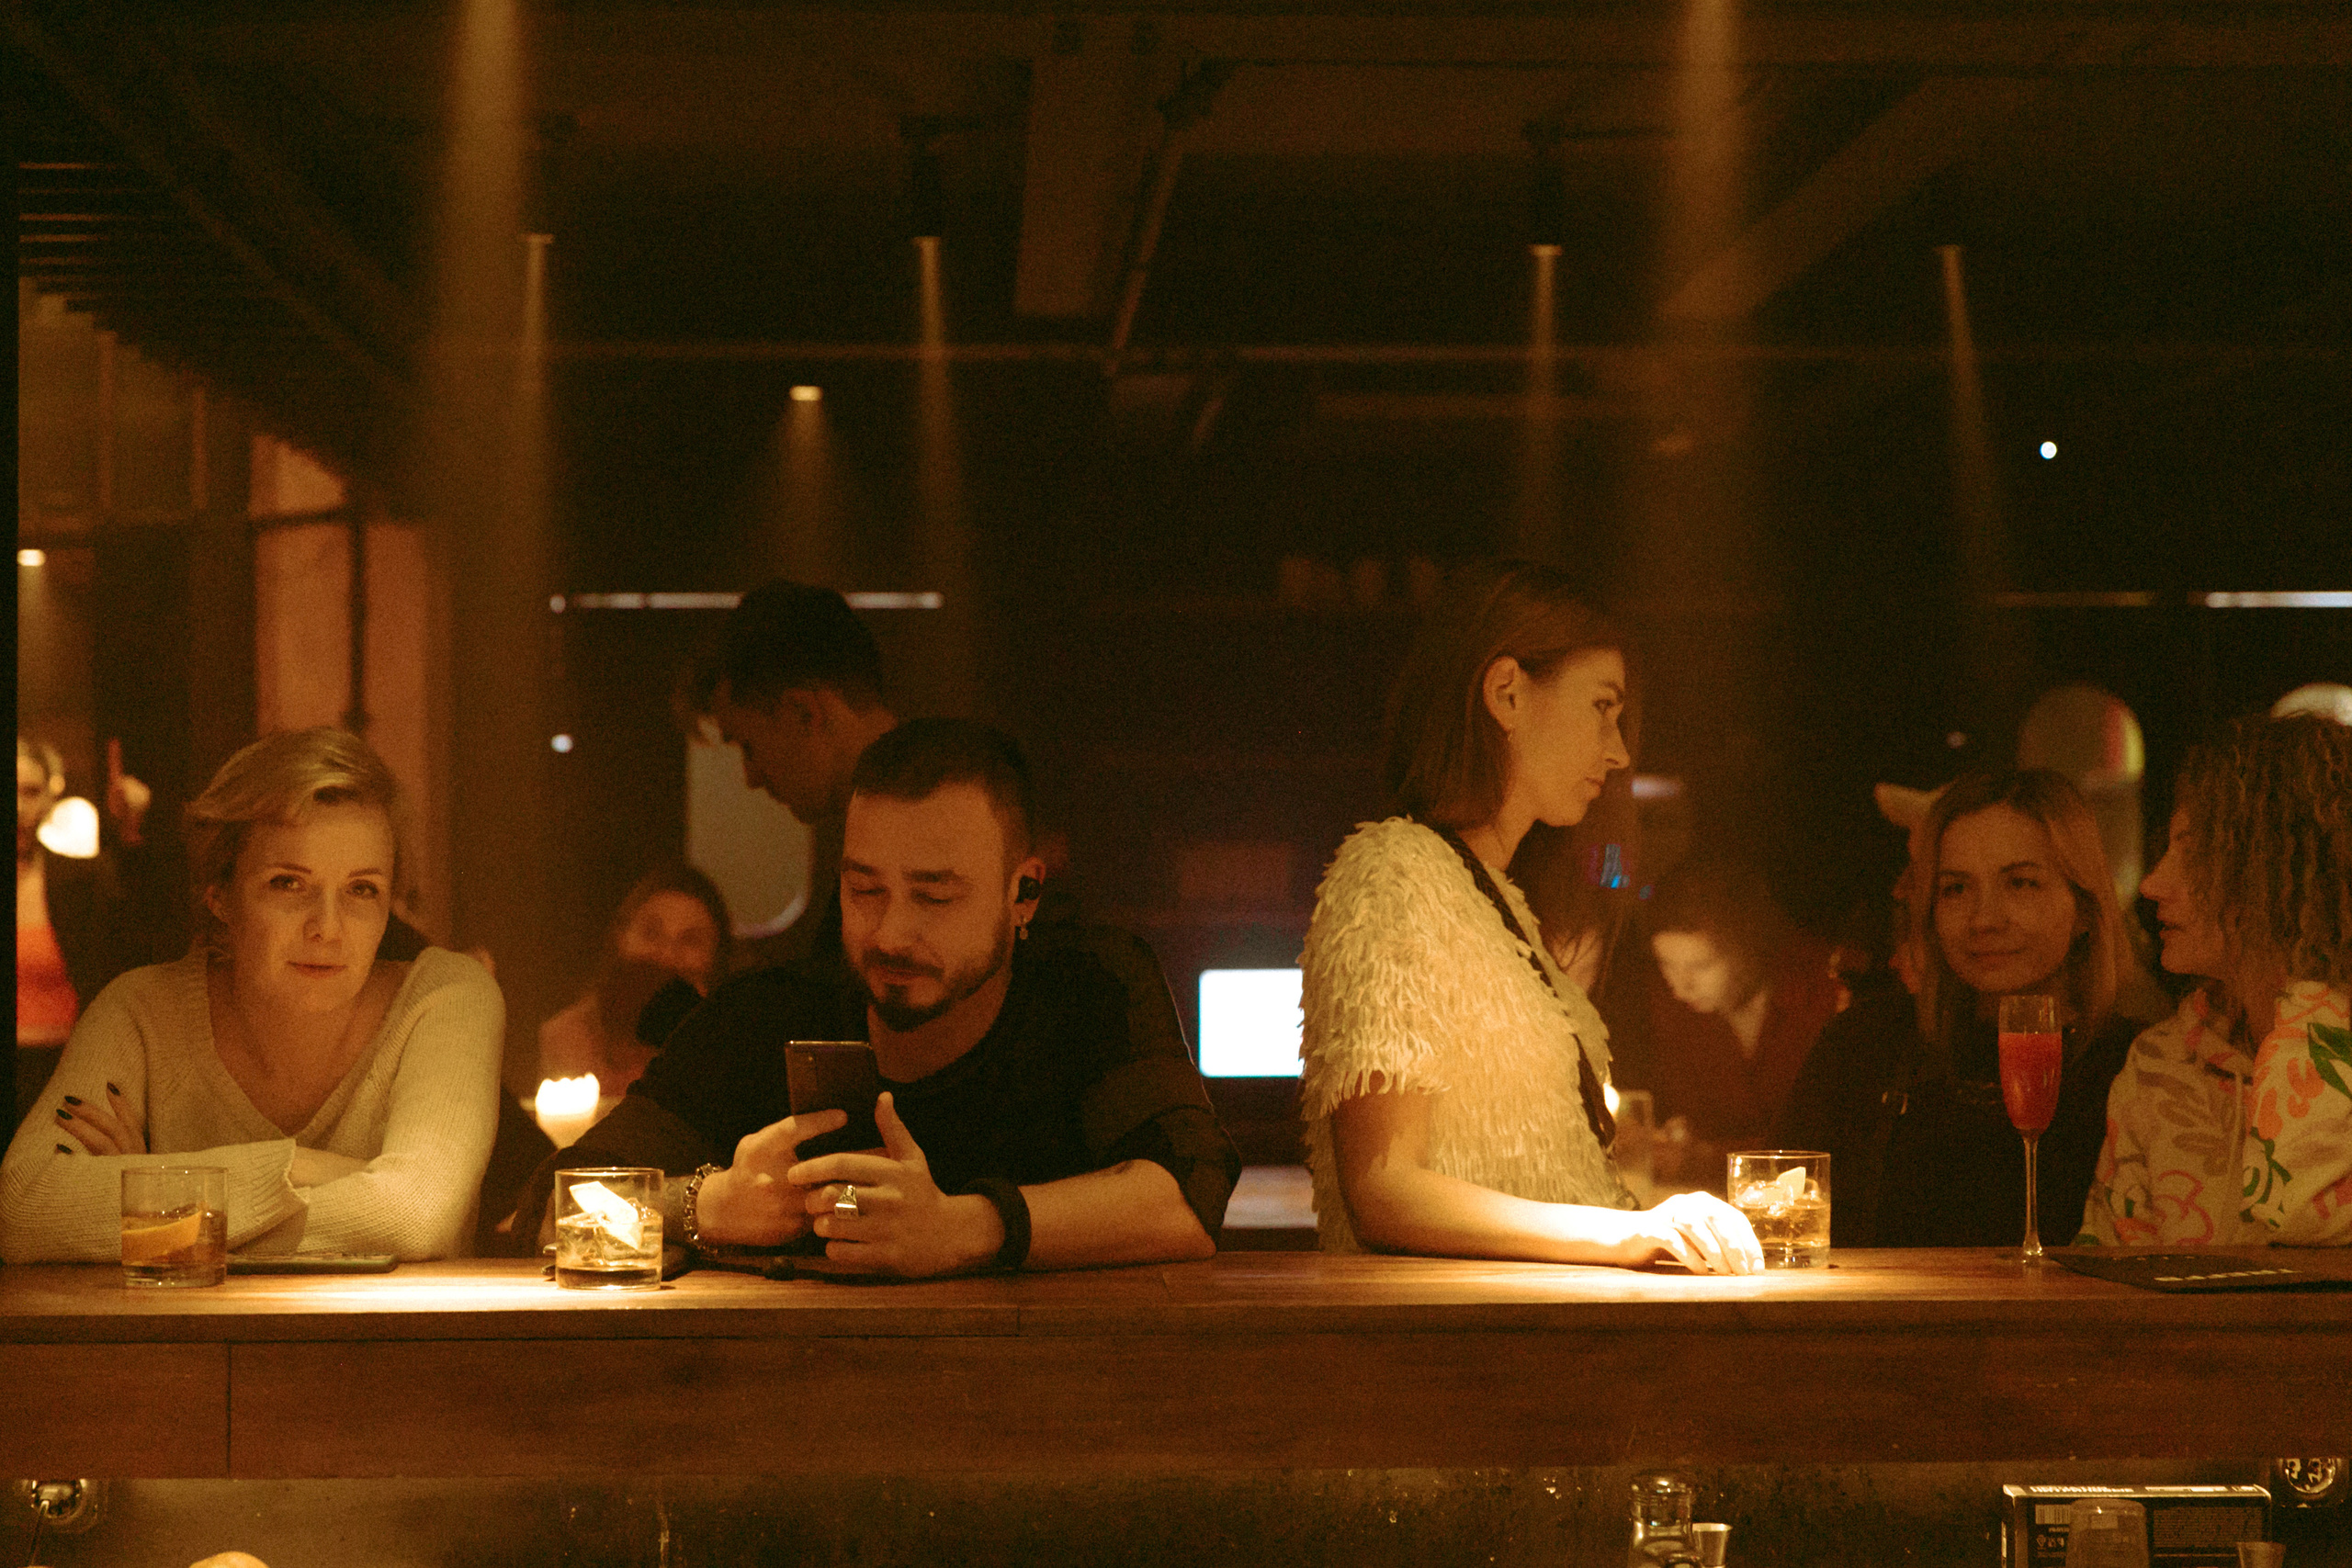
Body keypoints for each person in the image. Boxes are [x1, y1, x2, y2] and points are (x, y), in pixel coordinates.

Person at [531, 718, 1238, 1278]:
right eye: (865, 889)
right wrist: (708, 1206)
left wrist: (962, 1227)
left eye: (934, 894)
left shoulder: (1087, 988)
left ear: (1024, 892)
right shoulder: (762, 1016)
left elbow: (1187, 1200)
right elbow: (557, 1217)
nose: (891, 931)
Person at [1298, 559, 1764, 1273]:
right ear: (1508, 692)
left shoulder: (1494, 896)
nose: (1619, 751)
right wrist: (1631, 1233)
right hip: (1463, 1355)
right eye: (1602, 707)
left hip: (1531, 1334)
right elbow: (1384, 1190)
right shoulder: (1393, 872)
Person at [1, 728, 503, 1262]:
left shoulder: (447, 998)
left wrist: (158, 1196)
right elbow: (21, 1210)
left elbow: (413, 1217)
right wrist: (300, 1168)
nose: (328, 928)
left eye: (362, 889)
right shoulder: (142, 1010)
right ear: (220, 894)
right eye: (288, 883)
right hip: (182, 1347)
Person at [1776, 769, 2159, 1247]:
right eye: (1956, 888)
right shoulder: (1864, 1049)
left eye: (2020, 883)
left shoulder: (2140, 1070)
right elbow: (1777, 1216)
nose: (1984, 919)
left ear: (2083, 908)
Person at [2080, 712, 2352, 1247]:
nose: (2154, 883)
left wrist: (2313, 1005)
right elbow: (2105, 1282)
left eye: (2197, 851)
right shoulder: (2161, 1062)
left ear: (2277, 870)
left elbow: (2295, 1210)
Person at [689, 580, 899, 973]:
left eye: (748, 746)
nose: (750, 777)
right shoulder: (878, 828)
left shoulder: (909, 835)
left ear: (804, 712)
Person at [1641, 856, 1843, 1186]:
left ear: (1746, 949)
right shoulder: (1673, 1008)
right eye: (1667, 964)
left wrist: (1706, 1158)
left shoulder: (1821, 994)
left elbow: (1823, 1142)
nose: (1680, 985)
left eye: (1701, 965)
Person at [538, 863, 733, 1093]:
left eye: (690, 940)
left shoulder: (731, 1048)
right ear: (621, 937)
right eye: (651, 932)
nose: (666, 955)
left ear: (715, 957)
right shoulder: (569, 1036)